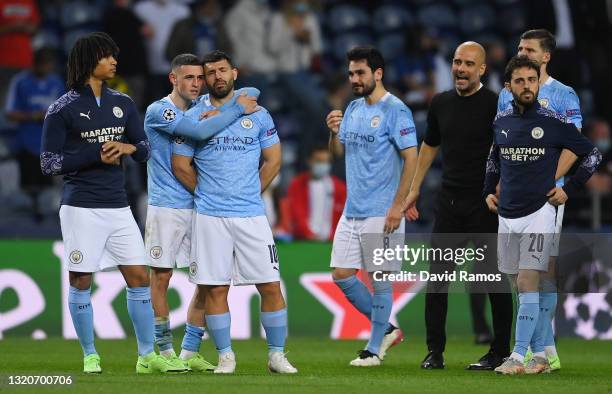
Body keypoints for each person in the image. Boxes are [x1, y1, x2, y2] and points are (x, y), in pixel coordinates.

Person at [40, 32, 180, 374]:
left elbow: (145, 149)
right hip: (81, 207)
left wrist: (129, 148)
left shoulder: (124, 103)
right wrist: (95, 153)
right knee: (80, 281)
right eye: (107, 55)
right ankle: (90, 354)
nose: (114, 61)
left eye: (114, 55)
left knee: (138, 277)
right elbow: (48, 163)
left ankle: (147, 357)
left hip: (119, 206)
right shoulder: (62, 109)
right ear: (89, 61)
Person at [173, 50, 297, 374]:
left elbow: (274, 160)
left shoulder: (258, 114)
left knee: (270, 284)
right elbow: (180, 165)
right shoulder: (194, 116)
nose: (216, 76)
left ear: (234, 73)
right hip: (210, 216)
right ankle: (226, 356)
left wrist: (251, 193)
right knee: (215, 287)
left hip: (251, 215)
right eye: (210, 72)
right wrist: (205, 194)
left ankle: (277, 356)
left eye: (222, 70)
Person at [485, 56, 601, 375]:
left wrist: (570, 188)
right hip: (507, 214)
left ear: (538, 82)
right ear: (508, 86)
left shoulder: (551, 121)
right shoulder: (502, 122)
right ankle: (540, 356)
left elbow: (592, 153)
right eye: (520, 81)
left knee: (527, 281)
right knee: (517, 283)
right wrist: (487, 191)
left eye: (532, 80)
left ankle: (517, 356)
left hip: (540, 212)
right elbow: (494, 159)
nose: (527, 86)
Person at [144, 53, 259, 372]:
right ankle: (163, 351)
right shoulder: (159, 110)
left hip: (200, 207)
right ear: (173, 79)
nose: (196, 84)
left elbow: (252, 92)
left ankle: (190, 350)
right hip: (166, 205)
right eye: (189, 78)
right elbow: (196, 133)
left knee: (208, 280)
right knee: (162, 276)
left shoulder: (202, 108)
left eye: (200, 78)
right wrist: (237, 108)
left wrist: (241, 101)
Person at [403, 41, 513, 371]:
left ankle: (499, 351)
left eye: (468, 64)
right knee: (437, 282)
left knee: (493, 281)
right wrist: (414, 189)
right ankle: (434, 352)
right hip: (449, 205)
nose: (460, 69)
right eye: (456, 62)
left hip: (483, 205)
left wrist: (501, 187)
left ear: (482, 69)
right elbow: (430, 145)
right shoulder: (440, 103)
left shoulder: (496, 105)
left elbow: (507, 150)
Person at [326, 46, 418, 367]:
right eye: (351, 73)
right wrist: (334, 133)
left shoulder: (397, 110)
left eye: (360, 72)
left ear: (377, 74)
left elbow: (411, 158)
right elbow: (338, 154)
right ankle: (389, 329)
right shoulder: (351, 108)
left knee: (380, 278)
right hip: (353, 210)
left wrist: (398, 205)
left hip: (382, 210)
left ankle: (375, 348)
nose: (354, 78)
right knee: (341, 274)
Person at [497, 29, 582, 371]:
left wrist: (547, 179)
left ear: (545, 56)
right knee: (515, 274)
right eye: (519, 47)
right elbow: (502, 142)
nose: (522, 51)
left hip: (546, 198)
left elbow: (574, 144)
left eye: (529, 48)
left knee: (541, 271)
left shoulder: (563, 95)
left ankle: (540, 352)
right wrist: (500, 181)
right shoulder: (508, 94)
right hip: (513, 196)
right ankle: (543, 346)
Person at [5, 47, 63, 194]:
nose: (48, 68)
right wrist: (35, 116)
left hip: (50, 145)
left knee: (48, 191)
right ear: (36, 64)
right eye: (44, 64)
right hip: (27, 143)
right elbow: (10, 113)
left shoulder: (56, 82)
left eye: (50, 64)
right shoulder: (20, 81)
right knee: (29, 189)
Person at [284, 145, 346, 241]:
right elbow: (297, 212)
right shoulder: (298, 184)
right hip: (304, 240)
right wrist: (309, 234)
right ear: (309, 161)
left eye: (326, 161)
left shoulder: (339, 187)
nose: (323, 164)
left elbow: (342, 216)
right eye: (318, 160)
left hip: (331, 241)